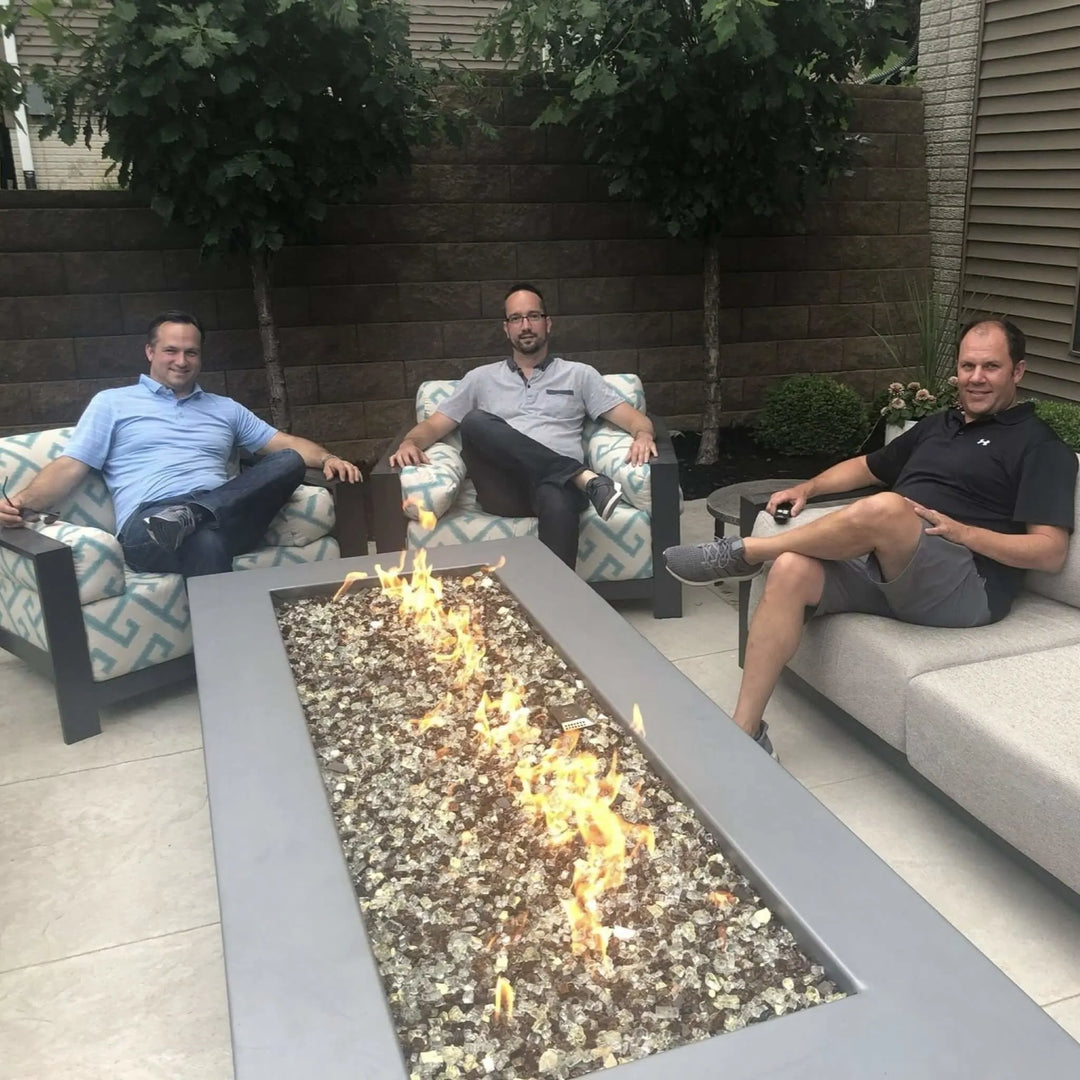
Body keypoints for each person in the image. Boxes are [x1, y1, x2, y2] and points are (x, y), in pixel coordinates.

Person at [663, 317, 1077, 757]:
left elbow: (1050, 552)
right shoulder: (941, 423)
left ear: (1018, 371)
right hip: (894, 564)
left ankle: (747, 552)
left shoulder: (1040, 447)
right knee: (790, 570)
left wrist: (965, 533)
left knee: (888, 507)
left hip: (964, 585)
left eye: (991, 367)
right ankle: (745, 734)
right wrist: (808, 487)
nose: (975, 378)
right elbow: (868, 467)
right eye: (967, 366)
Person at [0, 310, 360, 578]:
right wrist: (17, 504)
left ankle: (195, 514)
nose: (181, 361)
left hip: (227, 516)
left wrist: (327, 457)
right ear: (150, 352)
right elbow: (70, 466)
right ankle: (234, 659)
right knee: (203, 541)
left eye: (191, 352)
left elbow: (283, 444)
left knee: (289, 461)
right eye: (171, 350)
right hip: (149, 525)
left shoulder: (225, 409)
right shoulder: (112, 403)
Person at [388, 283, 657, 568]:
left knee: (557, 495)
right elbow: (431, 427)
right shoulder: (480, 379)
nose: (525, 325)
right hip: (503, 489)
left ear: (548, 323)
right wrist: (410, 443)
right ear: (506, 328)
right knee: (475, 422)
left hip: (556, 489)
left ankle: (554, 606)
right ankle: (583, 477)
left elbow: (634, 419)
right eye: (516, 318)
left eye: (533, 316)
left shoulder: (579, 375)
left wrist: (642, 434)